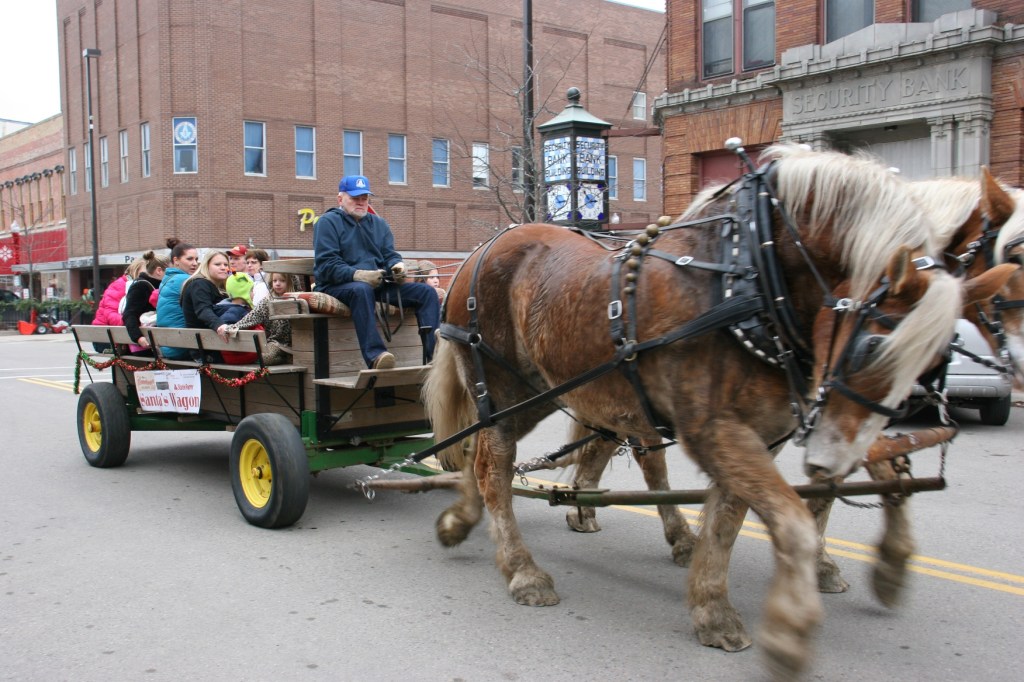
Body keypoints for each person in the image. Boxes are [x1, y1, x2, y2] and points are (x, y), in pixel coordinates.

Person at [313, 175, 440, 369]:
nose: (361, 202)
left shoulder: (379, 224)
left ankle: (436, 356)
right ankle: (376, 356)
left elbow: (390, 255)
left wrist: (397, 267)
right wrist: (358, 275)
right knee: (361, 289)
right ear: (340, 199)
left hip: (377, 286)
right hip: (336, 286)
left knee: (427, 292)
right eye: (355, 198)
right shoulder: (327, 222)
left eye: (364, 198)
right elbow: (327, 265)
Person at [220, 271, 296, 365]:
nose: (277, 283)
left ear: (290, 282)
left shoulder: (297, 300)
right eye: (274, 280)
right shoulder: (267, 301)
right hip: (275, 343)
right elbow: (252, 317)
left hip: (296, 343)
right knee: (264, 358)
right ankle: (283, 359)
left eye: (282, 280)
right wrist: (233, 327)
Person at [180, 251, 231, 361]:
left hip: (215, 345)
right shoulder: (199, 284)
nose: (223, 267)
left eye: (226, 265)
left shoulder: (219, 287)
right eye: (217, 264)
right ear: (206, 266)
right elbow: (203, 310)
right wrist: (219, 326)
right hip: (206, 350)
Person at [156, 238, 200, 359]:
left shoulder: (167, 279)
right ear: (176, 260)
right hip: (182, 346)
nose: (195, 263)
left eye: (196, 259)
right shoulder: (185, 280)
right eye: (189, 259)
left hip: (168, 344)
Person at [122, 250, 169, 355]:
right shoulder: (140, 286)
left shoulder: (162, 285)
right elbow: (129, 313)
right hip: (146, 345)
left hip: (157, 341)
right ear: (159, 271)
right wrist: (138, 337)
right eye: (169, 271)